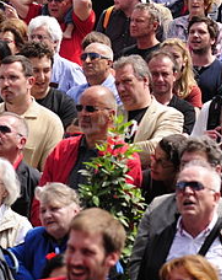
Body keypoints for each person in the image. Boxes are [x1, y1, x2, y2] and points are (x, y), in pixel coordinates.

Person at [31, 86, 141, 222]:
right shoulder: (62, 149)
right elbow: (40, 200)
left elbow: (121, 213)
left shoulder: (124, 158)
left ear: (111, 116)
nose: (83, 114)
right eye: (79, 108)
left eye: (90, 109)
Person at [138, 161, 222, 280]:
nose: (187, 191)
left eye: (196, 186)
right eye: (181, 186)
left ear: (215, 197)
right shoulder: (159, 240)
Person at [0, 55, 63, 171]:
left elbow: (49, 175)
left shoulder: (51, 123)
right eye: (2, 78)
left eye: (13, 78)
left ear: (30, 82)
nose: (5, 84)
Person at [112, 55, 184, 167]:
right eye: (117, 84)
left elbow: (158, 148)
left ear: (145, 80)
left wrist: (113, 151)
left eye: (127, 81)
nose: (121, 88)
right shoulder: (112, 113)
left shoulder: (169, 115)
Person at [10, 183, 80, 280]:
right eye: (43, 211)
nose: (47, 215)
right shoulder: (36, 237)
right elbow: (7, 257)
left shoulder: (85, 240)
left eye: (54, 209)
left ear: (75, 211)